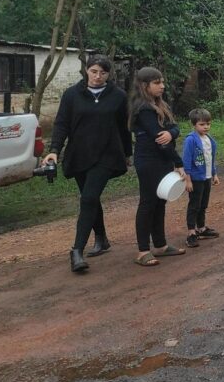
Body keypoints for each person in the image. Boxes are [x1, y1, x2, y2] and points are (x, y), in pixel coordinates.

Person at [43, 55, 133, 273]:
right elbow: (61, 124)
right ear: (86, 70)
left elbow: (124, 127)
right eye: (93, 71)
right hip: (79, 155)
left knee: (89, 198)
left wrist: (127, 153)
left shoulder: (118, 96)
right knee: (90, 198)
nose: (97, 76)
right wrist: (54, 151)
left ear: (108, 74)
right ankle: (102, 238)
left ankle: (76, 251)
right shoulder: (72, 95)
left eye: (102, 73)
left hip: (107, 155)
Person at [129, 67, 186, 266]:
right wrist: (179, 163)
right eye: (157, 83)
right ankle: (143, 251)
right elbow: (159, 137)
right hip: (149, 161)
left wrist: (173, 133)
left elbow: (173, 127)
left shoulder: (160, 105)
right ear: (145, 86)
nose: (162, 86)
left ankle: (160, 245)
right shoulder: (144, 108)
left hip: (162, 160)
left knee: (160, 201)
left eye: (162, 82)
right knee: (148, 203)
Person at [182, 108, 220, 248]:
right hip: (195, 179)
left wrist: (214, 174)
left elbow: (211, 159)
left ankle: (201, 228)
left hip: (206, 177)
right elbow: (186, 161)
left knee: (203, 204)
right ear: (194, 125)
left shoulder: (210, 140)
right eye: (202, 124)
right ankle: (191, 232)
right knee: (194, 205)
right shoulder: (191, 140)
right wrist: (188, 179)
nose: (206, 127)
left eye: (208, 124)